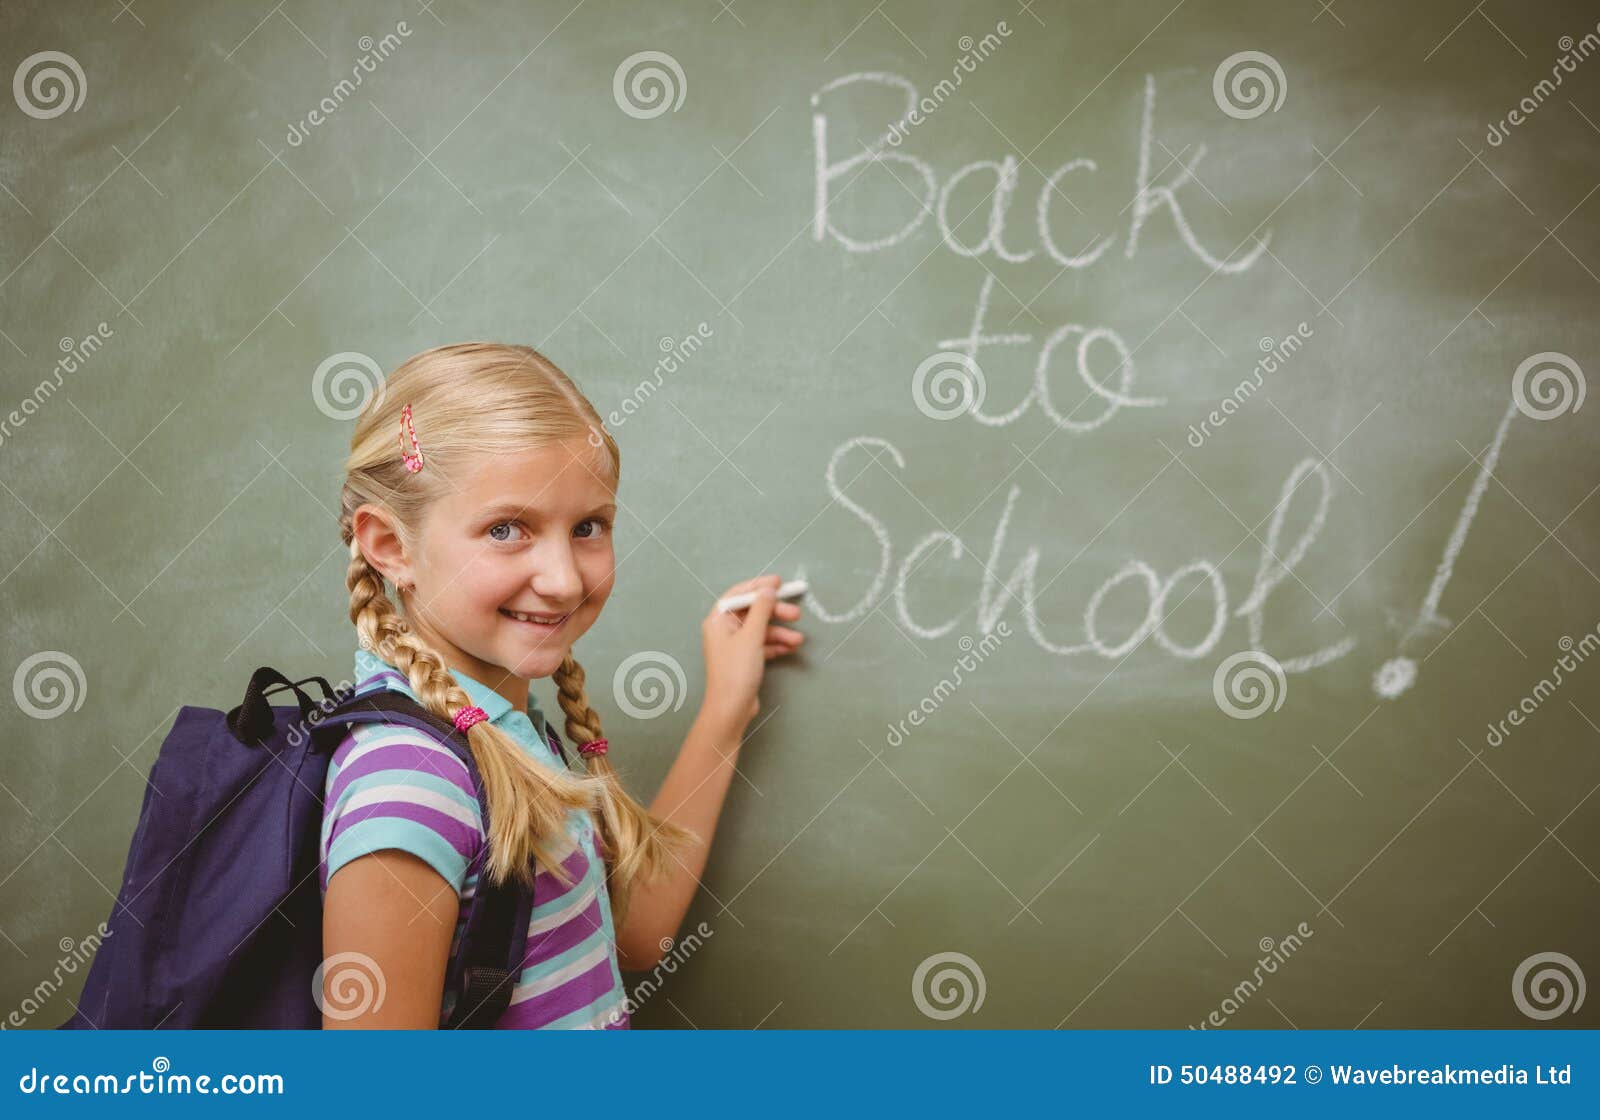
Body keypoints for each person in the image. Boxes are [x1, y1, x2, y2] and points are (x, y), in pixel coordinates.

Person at [319, 342, 803, 1028]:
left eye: (588, 528)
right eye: (507, 529)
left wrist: (726, 710)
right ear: (392, 547)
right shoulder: (413, 784)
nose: (566, 579)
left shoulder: (496, 727)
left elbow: (634, 936)